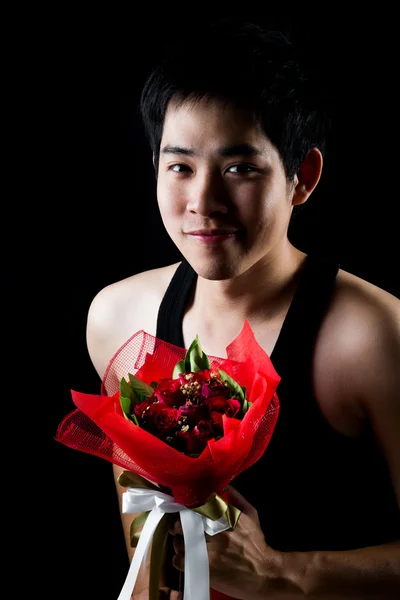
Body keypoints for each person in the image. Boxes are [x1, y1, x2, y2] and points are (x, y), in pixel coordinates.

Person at [85, 18, 400, 599]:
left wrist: (283, 574)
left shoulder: (370, 336)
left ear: (301, 177)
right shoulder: (118, 318)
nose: (202, 202)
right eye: (180, 166)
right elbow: (141, 542)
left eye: (239, 169)